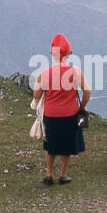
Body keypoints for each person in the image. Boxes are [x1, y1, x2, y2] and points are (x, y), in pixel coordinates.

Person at [35, 33, 90, 185]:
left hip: (50, 114)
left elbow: (36, 94)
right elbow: (87, 91)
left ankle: (48, 174)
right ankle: (63, 175)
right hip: (70, 114)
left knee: (49, 144)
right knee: (66, 145)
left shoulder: (44, 74)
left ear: (53, 53)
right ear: (68, 53)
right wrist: (82, 107)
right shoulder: (75, 72)